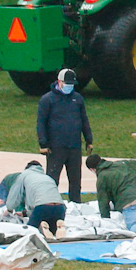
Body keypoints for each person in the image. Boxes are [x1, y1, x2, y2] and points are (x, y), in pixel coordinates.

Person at [36, 68, 91, 201]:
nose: (69, 87)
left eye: (72, 84)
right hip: (56, 147)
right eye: (67, 84)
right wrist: (43, 143)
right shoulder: (47, 99)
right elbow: (41, 123)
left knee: (75, 180)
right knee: (52, 179)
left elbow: (84, 120)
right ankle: (49, 202)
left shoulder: (77, 99)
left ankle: (76, 204)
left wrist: (89, 139)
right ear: (59, 82)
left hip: (74, 146)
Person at [87, 155, 136, 238]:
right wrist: (134, 178)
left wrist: (106, 219)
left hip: (128, 201)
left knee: (133, 228)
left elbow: (103, 201)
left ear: (92, 169)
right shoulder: (120, 164)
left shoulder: (102, 176)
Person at [0, 162, 66, 237]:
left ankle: (41, 229)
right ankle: (55, 228)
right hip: (60, 208)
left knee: (30, 232)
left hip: (42, 208)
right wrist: (25, 213)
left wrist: (9, 209)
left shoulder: (23, 175)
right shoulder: (48, 177)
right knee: (51, 230)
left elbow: (14, 196)